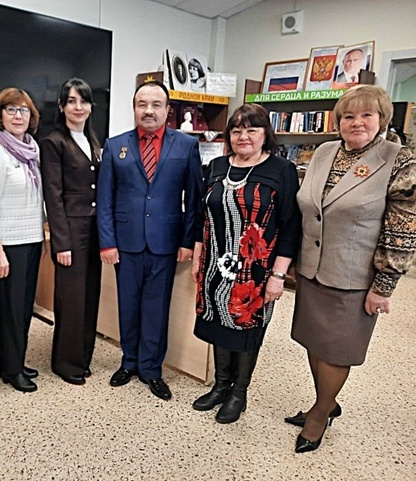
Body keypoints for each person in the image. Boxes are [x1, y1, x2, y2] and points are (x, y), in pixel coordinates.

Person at [288, 85, 416, 453]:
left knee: (337, 351)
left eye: (366, 115)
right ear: (338, 121)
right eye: (348, 116)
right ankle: (326, 402)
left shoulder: (398, 160)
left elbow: (403, 228)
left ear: (382, 119)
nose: (356, 122)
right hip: (312, 269)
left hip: (354, 277)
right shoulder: (324, 152)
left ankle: (319, 414)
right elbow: (308, 209)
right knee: (315, 342)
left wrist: (384, 285)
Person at [189, 104, 301, 424]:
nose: (244, 136)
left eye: (252, 129)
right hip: (214, 266)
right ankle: (221, 385)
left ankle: (239, 392)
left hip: (256, 271)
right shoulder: (216, 166)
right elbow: (201, 216)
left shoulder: (282, 170)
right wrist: (198, 258)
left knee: (248, 329)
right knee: (218, 324)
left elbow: (291, 226)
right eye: (237, 130)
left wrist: (279, 275)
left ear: (266, 134)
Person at [97, 80, 201, 401]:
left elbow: (194, 200)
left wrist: (187, 241)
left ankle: (152, 369)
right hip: (125, 243)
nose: (149, 111)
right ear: (134, 108)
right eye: (142, 104)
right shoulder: (115, 146)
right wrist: (107, 242)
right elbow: (105, 199)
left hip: (165, 242)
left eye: (156, 105)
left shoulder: (186, 146)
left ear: (168, 110)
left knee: (156, 308)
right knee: (128, 306)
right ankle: (129, 361)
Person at [0, 88, 44, 393]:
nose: (18, 116)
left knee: (24, 307)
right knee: (10, 310)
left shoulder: (32, 149)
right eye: (11, 110)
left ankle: (15, 361)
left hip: (32, 240)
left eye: (24, 110)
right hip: (8, 245)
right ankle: (11, 369)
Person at [40, 78, 102, 386]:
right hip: (70, 233)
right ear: (61, 106)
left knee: (90, 296)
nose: (79, 107)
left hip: (94, 231)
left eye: (84, 101)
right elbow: (53, 196)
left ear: (90, 106)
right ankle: (65, 362)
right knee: (71, 299)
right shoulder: (54, 142)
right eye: (72, 101)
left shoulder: (93, 140)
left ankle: (83, 358)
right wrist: (60, 242)